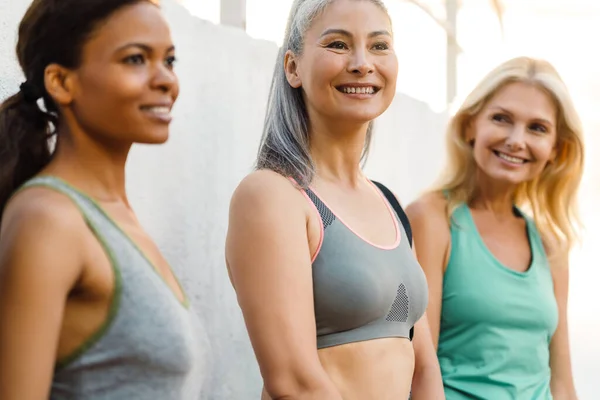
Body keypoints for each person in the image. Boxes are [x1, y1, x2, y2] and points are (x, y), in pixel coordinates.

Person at [225, 0, 444, 399]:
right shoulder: (271, 196)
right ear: (292, 67)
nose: (363, 63)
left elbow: (425, 369)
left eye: (379, 46)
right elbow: (294, 383)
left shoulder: (389, 203)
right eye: (338, 45)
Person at [0, 1, 206, 399]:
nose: (166, 79)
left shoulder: (116, 218)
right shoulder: (49, 219)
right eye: (135, 59)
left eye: (170, 60)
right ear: (61, 81)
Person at [406, 56, 583, 400]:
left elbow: (562, 382)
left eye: (537, 128)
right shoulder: (432, 219)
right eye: (501, 119)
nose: (517, 140)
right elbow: (419, 370)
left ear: (555, 151)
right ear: (471, 125)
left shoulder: (551, 246)